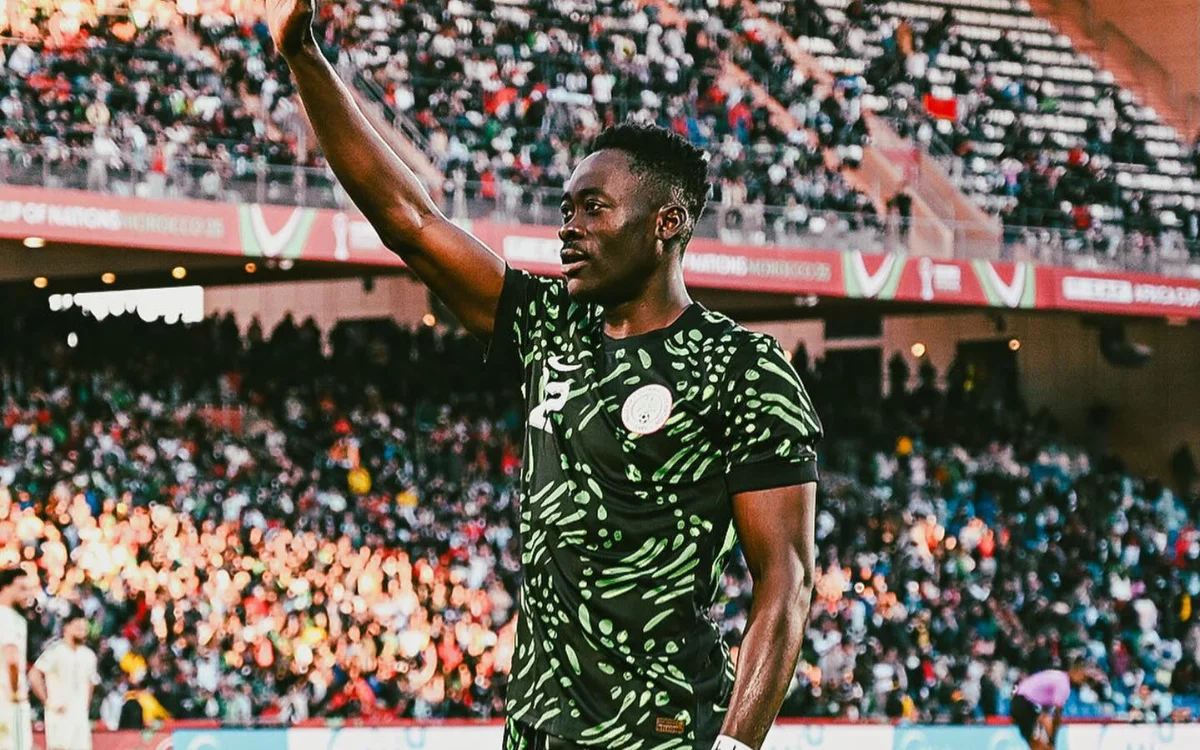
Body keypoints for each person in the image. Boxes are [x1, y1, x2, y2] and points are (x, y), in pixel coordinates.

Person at [267, 0, 823, 747]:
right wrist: (303, 54)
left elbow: (785, 581)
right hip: (534, 728)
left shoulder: (742, 368)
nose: (569, 227)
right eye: (565, 210)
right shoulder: (547, 324)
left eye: (594, 208)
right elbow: (410, 219)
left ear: (668, 223)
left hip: (662, 732)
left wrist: (735, 744)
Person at [30, 613, 98, 750]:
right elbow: (34, 674)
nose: (82, 631)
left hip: (80, 718)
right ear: (66, 627)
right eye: (78, 626)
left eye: (84, 628)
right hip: (59, 716)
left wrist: (85, 707)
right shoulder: (55, 651)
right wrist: (47, 701)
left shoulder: (89, 655)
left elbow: (91, 682)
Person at [1010, 665, 1101, 750]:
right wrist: (1053, 739)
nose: (1082, 682)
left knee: (1035, 742)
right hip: (1024, 702)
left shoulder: (1058, 677)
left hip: (1021, 700)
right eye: (1083, 678)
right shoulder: (1063, 684)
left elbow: (1047, 712)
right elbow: (1057, 715)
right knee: (1036, 743)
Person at [0, 568, 37, 750]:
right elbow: (12, 659)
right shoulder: (8, 618)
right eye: (22, 588)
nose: (27, 594)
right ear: (5, 588)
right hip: (8, 701)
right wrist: (16, 692)